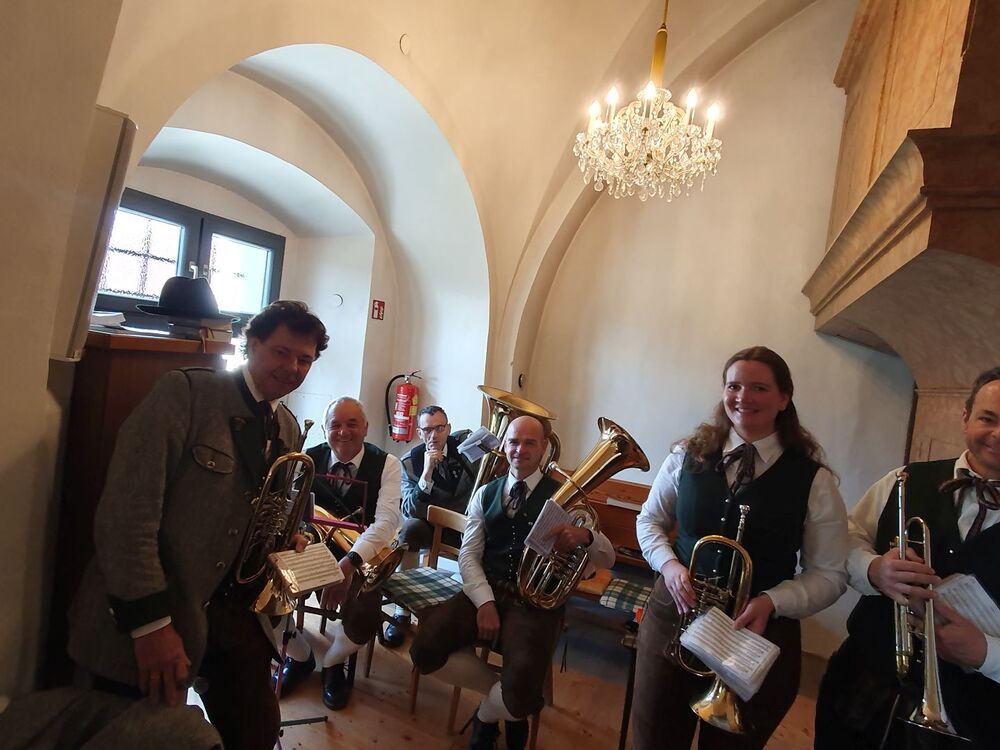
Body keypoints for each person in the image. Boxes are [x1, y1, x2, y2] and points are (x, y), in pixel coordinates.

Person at [67, 299, 329, 750]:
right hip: (158, 608)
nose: (292, 368)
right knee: (126, 737)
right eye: (282, 352)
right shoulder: (186, 394)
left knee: (255, 733)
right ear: (252, 344)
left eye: (304, 360)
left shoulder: (286, 427)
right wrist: (150, 624)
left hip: (234, 616)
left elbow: (255, 518)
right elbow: (125, 517)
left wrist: (285, 539)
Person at [631, 346, 848, 750]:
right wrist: (670, 566)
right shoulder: (687, 454)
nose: (743, 397)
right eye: (734, 386)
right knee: (653, 738)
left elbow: (831, 574)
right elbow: (649, 521)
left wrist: (773, 601)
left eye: (759, 388)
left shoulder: (814, 480)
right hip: (673, 618)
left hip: (755, 636)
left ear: (784, 398)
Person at [815, 366, 1000, 750]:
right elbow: (844, 539)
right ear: (966, 418)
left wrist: (987, 653)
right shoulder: (904, 479)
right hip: (862, 690)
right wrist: (874, 569)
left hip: (971, 717)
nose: (998, 434)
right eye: (988, 418)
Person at [410, 415, 616, 750]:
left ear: (544, 448)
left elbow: (607, 559)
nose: (520, 450)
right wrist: (485, 603)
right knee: (423, 650)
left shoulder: (564, 497)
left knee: (520, 681)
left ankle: (488, 715)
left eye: (530, 443)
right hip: (487, 589)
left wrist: (586, 537)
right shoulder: (485, 493)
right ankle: (510, 704)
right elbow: (468, 556)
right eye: (514, 442)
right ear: (504, 445)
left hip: (535, 604)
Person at [272, 396, 402, 710]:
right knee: (267, 593)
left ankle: (332, 662)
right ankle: (301, 657)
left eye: (352, 424)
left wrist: (348, 564)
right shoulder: (307, 459)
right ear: (325, 429)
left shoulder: (388, 464)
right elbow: (291, 509)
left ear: (366, 428)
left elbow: (386, 522)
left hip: (360, 554)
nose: (343, 431)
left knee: (364, 616)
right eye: (335, 425)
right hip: (312, 547)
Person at [391, 405, 478, 639]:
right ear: (419, 433)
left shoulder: (467, 449)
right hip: (432, 526)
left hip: (468, 526)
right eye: (427, 430)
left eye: (439, 428)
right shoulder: (409, 462)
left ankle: (471, 614)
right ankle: (402, 612)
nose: (434, 435)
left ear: (448, 428)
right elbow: (409, 509)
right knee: (409, 530)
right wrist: (426, 474)